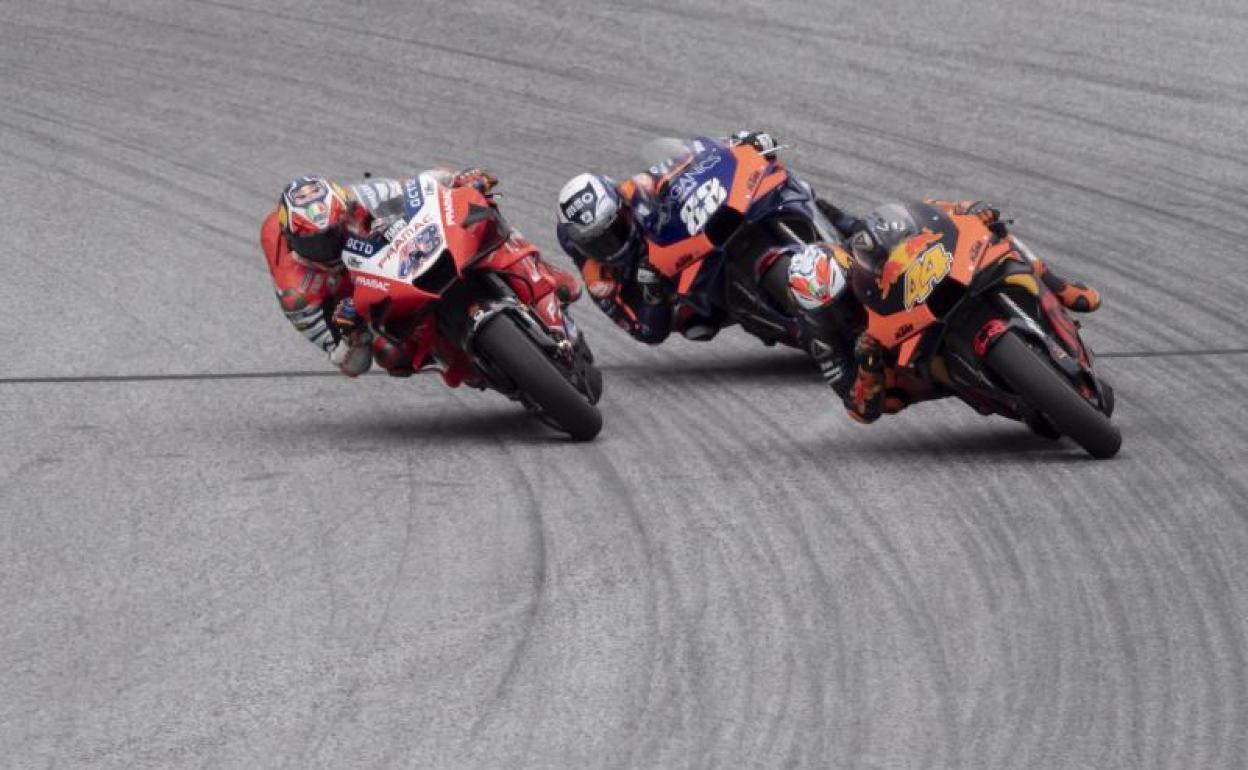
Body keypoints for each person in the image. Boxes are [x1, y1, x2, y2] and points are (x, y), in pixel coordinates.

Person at [260, 171, 581, 380]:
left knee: (477, 212)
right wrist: (352, 335)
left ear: (343, 213)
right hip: (355, 297)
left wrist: (457, 179)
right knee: (391, 355)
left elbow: (419, 188)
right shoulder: (296, 291)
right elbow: (349, 364)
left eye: (333, 232)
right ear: (292, 241)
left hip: (387, 258)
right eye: (315, 242)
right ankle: (463, 364)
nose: (328, 246)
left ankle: (538, 271)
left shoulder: (356, 201)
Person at [555, 131, 861, 347]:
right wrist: (652, 295)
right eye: (598, 241)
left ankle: (855, 229)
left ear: (620, 205)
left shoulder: (636, 190)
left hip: (698, 238)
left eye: (615, 227)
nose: (610, 241)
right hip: (676, 290)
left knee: (783, 183)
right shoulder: (599, 278)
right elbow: (645, 332)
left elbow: (691, 158)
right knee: (695, 323)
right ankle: (786, 326)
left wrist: (738, 144)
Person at [839, 199, 1103, 423]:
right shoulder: (861, 296)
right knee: (896, 391)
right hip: (923, 322)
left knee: (998, 234)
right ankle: (1002, 396)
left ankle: (1060, 288)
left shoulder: (899, 228)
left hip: (952, 271)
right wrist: (868, 363)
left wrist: (974, 208)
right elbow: (861, 411)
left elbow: (942, 210)